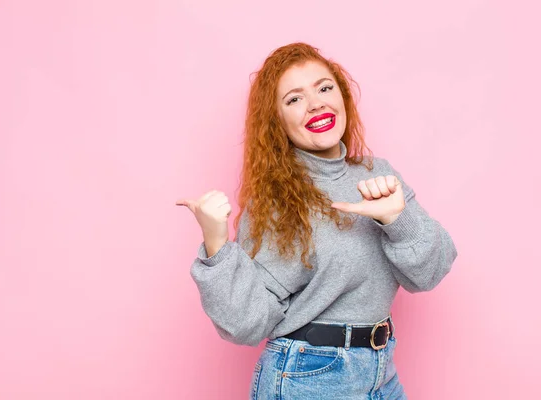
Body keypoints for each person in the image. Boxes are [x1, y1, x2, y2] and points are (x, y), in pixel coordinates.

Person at [176, 42, 457, 400]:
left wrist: (396, 219)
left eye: (324, 88)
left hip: (382, 374)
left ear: (342, 97)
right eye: (294, 99)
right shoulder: (279, 201)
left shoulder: (378, 175)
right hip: (308, 378)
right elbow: (246, 324)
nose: (316, 103)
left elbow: (430, 274)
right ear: (277, 120)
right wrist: (216, 245)